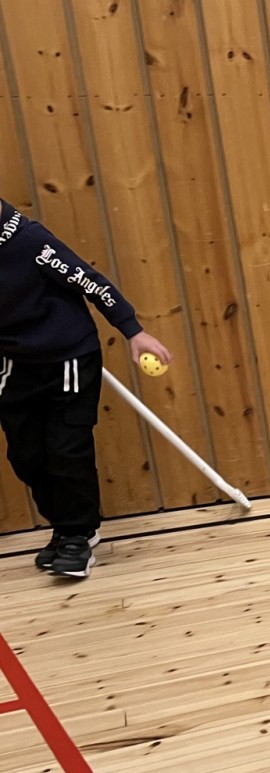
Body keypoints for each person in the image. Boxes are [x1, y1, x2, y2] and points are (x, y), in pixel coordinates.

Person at [0, 197, 173, 578]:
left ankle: (79, 535)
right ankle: (64, 529)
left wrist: (133, 331)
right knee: (26, 457)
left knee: (66, 451)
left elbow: (90, 282)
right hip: (15, 366)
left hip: (68, 359)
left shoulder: (31, 241)